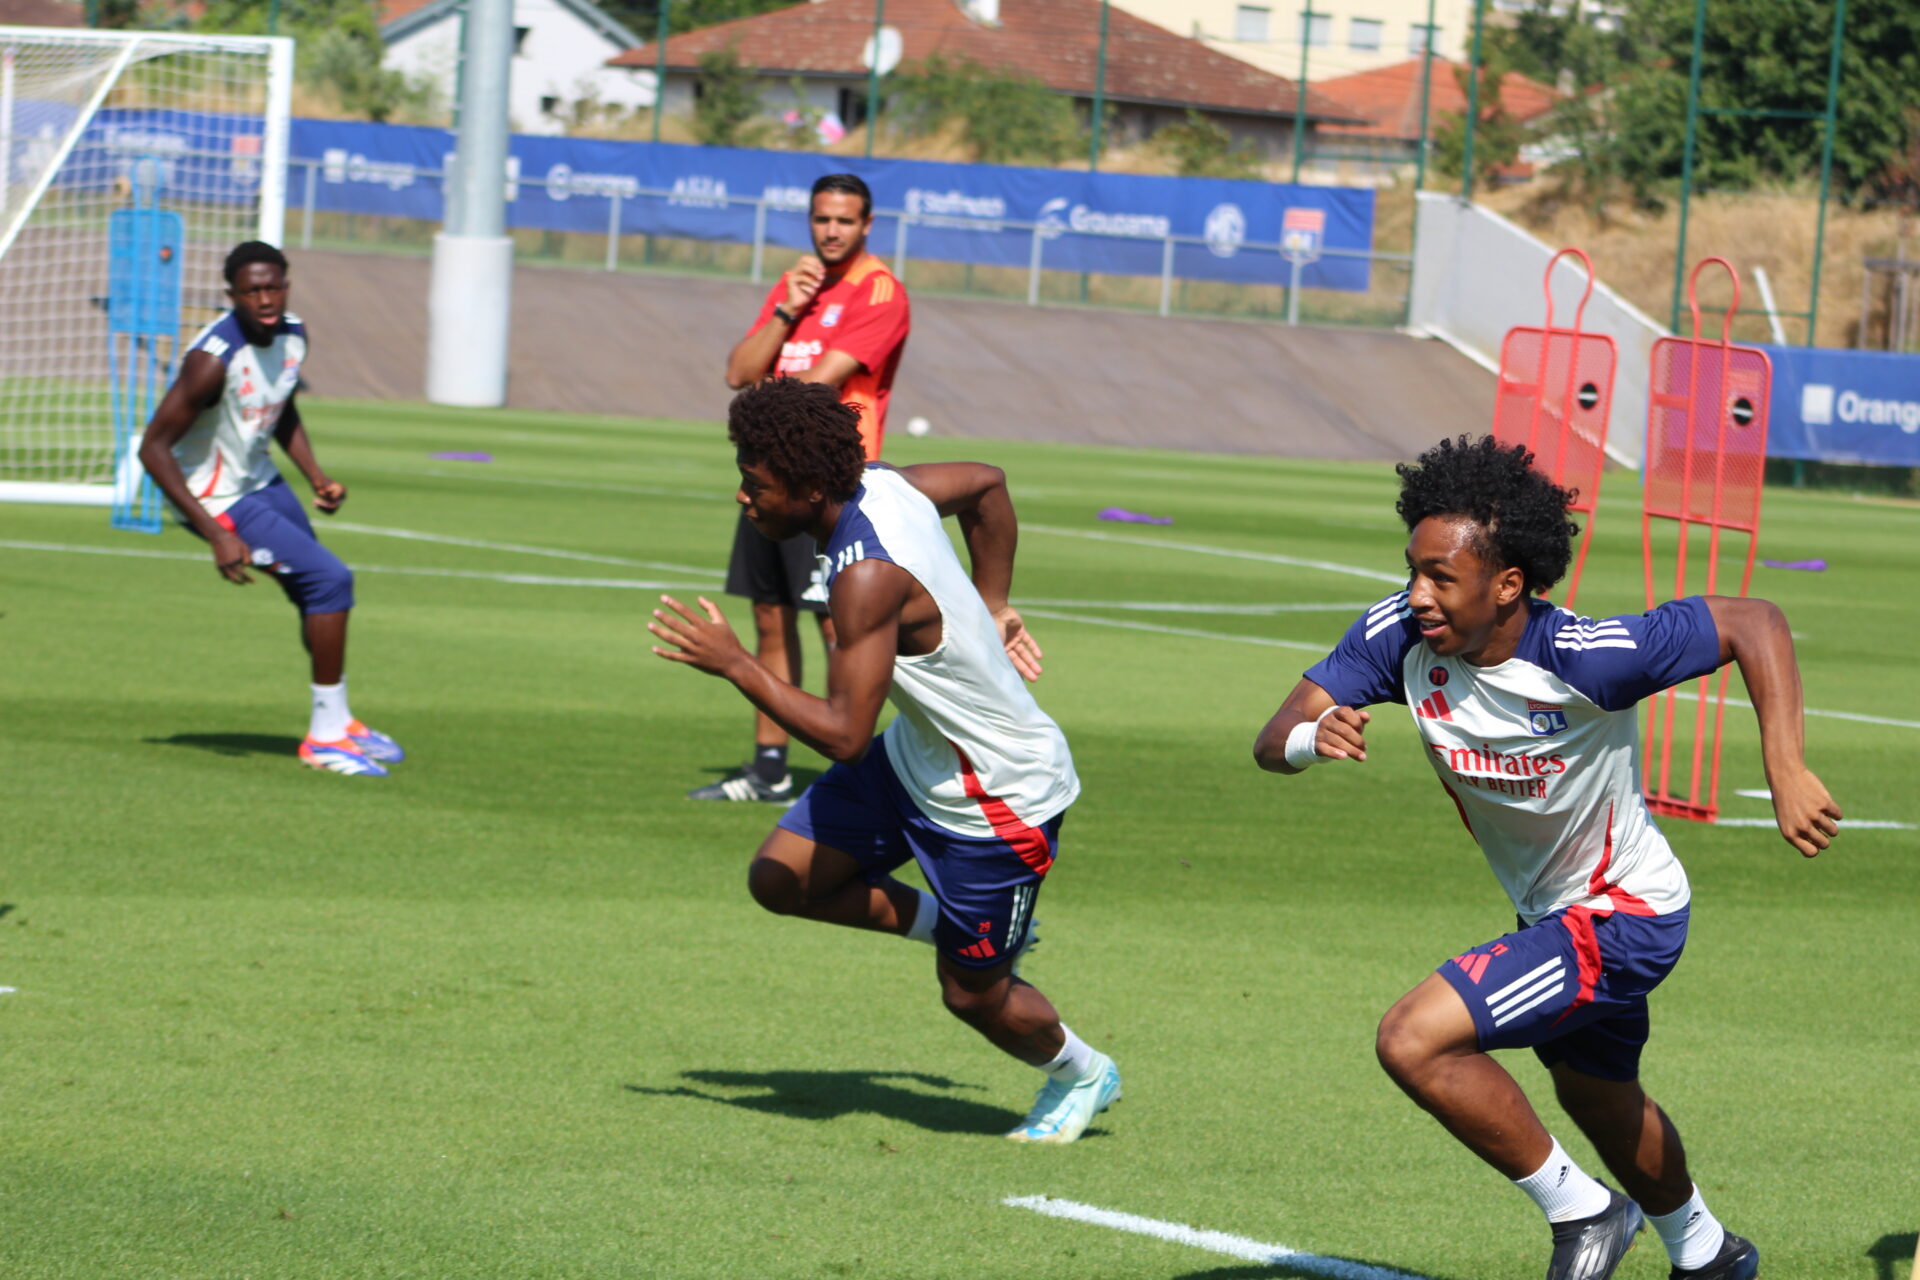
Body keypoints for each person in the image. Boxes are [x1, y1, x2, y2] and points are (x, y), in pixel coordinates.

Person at [1254, 435, 1839, 1280]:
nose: (1417, 594)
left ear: (1508, 586)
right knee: (1597, 1098)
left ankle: (1587, 1212)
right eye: (1413, 569)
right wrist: (1313, 737)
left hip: (1624, 912)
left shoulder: (1587, 660)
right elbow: (1272, 741)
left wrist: (1785, 767)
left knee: (1415, 1040)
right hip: (1551, 911)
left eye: (1440, 579)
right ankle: (1709, 1256)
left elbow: (1754, 621)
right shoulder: (1396, 637)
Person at [649, 379, 1120, 1143]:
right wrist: (994, 601)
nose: (744, 498)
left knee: (973, 998)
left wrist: (737, 665)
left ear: (807, 490)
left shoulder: (863, 579)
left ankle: (1083, 1071)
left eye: (755, 483)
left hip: (995, 800)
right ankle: (954, 926)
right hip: (918, 760)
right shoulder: (883, 483)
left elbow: (842, 735)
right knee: (781, 879)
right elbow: (987, 487)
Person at [138, 241, 402, 778]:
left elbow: (282, 407)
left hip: (258, 479)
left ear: (287, 283)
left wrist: (316, 476)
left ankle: (340, 719)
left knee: (316, 591)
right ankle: (324, 740)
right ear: (231, 295)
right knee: (331, 580)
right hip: (213, 496)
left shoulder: (294, 333)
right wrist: (215, 533)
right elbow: (153, 449)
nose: (266, 298)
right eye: (253, 290)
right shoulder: (211, 361)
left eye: (274, 286)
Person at [691, 172, 911, 804]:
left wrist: (762, 403)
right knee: (768, 615)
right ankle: (769, 769)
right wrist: (787, 308)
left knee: (839, 628)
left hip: (831, 487)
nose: (831, 231)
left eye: (844, 220)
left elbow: (815, 388)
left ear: (867, 224)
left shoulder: (880, 292)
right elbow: (739, 371)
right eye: (822, 220)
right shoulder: (798, 288)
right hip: (770, 481)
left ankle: (859, 772)